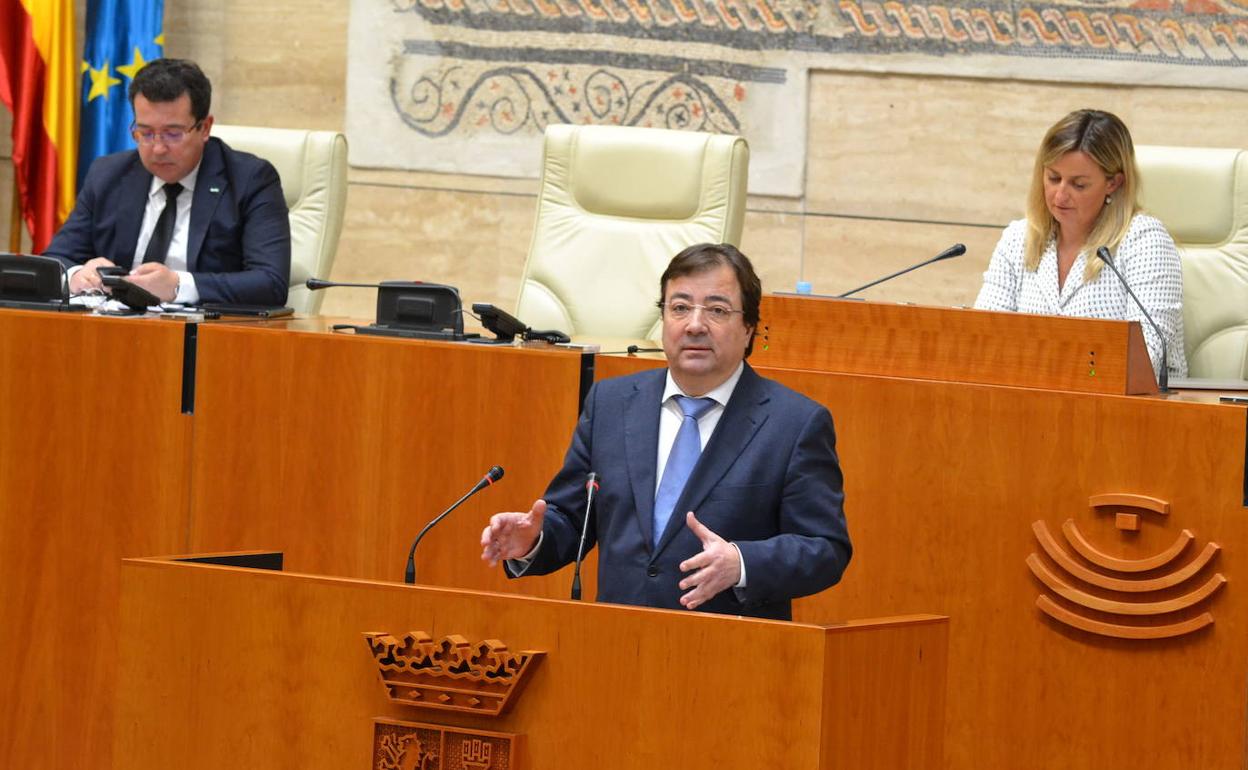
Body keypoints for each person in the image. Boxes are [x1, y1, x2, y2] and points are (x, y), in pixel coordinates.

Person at [480, 243, 851, 620]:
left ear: (749, 328)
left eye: (717, 310)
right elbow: (574, 518)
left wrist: (741, 563)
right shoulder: (611, 403)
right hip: (616, 646)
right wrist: (532, 541)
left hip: (733, 654)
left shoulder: (794, 423)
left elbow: (825, 548)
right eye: (679, 307)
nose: (694, 324)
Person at [44, 58, 290, 306]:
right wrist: (77, 275)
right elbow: (54, 261)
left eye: (173, 134)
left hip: (206, 336)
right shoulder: (108, 174)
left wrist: (178, 286)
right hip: (116, 331)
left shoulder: (250, 180)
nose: (159, 148)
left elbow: (270, 283)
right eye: (145, 133)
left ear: (205, 128)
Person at [974, 108, 1187, 378]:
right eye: (1053, 178)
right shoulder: (1019, 238)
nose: (1060, 194)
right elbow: (983, 340)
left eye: (1079, 184)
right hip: (1032, 402)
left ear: (1114, 182)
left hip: (1129, 411)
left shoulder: (1143, 240)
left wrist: (1042, 363)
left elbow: (1148, 357)